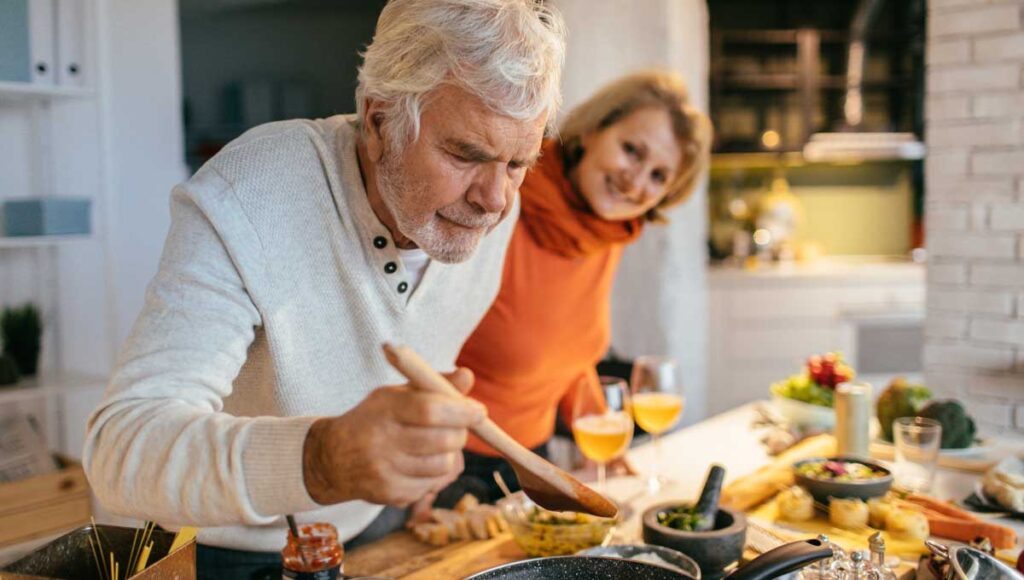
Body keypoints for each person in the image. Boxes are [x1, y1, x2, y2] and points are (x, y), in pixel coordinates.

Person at [82, 1, 565, 578]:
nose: (496, 199)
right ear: (380, 120)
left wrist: (409, 467)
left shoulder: (485, 206)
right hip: (213, 551)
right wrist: (321, 460)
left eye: (518, 163)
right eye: (465, 154)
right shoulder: (253, 193)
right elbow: (121, 452)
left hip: (368, 531)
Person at [439, 70, 712, 506]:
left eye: (659, 176)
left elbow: (568, 353)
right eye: (631, 151)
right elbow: (418, 341)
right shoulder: (500, 200)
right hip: (450, 469)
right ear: (591, 131)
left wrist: (604, 439)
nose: (636, 182)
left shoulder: (606, 233)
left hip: (534, 461)